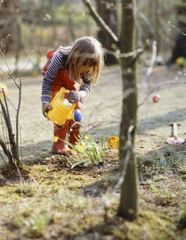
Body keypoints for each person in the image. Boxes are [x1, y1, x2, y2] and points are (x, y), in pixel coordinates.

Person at [41, 36, 104, 155]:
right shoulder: (59, 58)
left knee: (76, 114)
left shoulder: (88, 64)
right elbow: (47, 80)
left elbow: (86, 85)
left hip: (71, 82)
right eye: (83, 68)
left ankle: (75, 142)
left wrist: (80, 94)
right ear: (76, 59)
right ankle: (58, 144)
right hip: (56, 81)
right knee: (62, 113)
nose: (85, 72)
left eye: (88, 69)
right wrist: (45, 101)